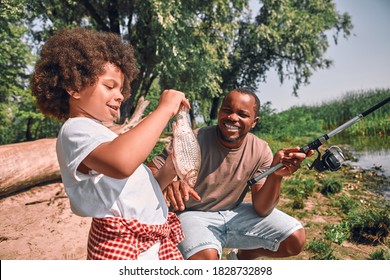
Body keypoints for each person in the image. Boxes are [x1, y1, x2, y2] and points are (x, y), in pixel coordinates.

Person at [31, 27, 190, 260]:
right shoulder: (75, 129)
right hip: (124, 245)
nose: (121, 95)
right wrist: (164, 109)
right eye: (109, 86)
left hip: (152, 242)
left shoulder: (106, 137)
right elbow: (121, 163)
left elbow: (136, 188)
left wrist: (170, 170)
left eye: (121, 89)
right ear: (74, 87)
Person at [148, 88, 313, 260]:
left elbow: (262, 208)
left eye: (242, 114)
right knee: (206, 257)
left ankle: (242, 257)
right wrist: (170, 180)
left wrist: (275, 176)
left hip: (233, 212)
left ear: (254, 122)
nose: (233, 117)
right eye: (227, 110)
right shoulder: (192, 138)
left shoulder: (261, 149)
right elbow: (151, 170)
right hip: (191, 214)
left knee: (295, 240)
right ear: (220, 112)